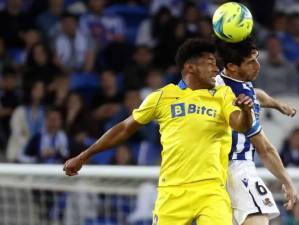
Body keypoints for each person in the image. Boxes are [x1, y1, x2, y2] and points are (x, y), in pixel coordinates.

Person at [63, 38, 255, 225]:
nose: (216, 69)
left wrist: (246, 111)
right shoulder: (162, 97)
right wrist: (84, 156)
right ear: (190, 67)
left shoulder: (222, 95)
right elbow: (123, 129)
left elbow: (240, 125)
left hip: (211, 190)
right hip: (171, 192)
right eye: (210, 64)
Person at [215, 38, 298, 225]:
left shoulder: (223, 81)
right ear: (233, 67)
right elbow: (265, 149)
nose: (258, 66)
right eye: (251, 62)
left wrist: (277, 105)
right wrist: (287, 182)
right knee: (258, 219)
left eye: (257, 59)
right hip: (237, 168)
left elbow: (257, 93)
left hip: (214, 169)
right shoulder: (239, 100)